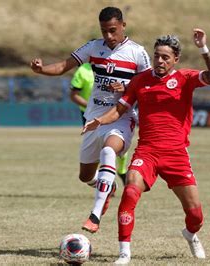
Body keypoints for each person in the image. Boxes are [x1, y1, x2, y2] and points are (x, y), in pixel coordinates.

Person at [82, 29, 210, 263]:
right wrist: (99, 121)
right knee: (130, 190)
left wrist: (203, 49)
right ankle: (124, 253)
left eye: (165, 57)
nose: (159, 60)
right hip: (147, 151)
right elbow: (120, 109)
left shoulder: (185, 79)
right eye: (157, 55)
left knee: (196, 215)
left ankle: (190, 234)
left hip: (176, 154)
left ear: (175, 59)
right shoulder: (140, 80)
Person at [30, 6, 151, 234]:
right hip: (93, 118)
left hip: (121, 117)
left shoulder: (138, 53)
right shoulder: (94, 47)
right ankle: (106, 186)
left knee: (109, 151)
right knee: (85, 176)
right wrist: (41, 69)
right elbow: (64, 66)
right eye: (104, 31)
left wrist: (126, 87)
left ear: (123, 26)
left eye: (113, 30)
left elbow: (150, 84)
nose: (108, 36)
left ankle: (95, 215)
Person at [69, 62, 129, 183]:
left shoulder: (116, 65)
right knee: (94, 156)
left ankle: (121, 172)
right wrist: (90, 106)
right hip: (90, 116)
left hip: (114, 112)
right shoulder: (83, 71)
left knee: (113, 144)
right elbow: (73, 95)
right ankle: (104, 183)